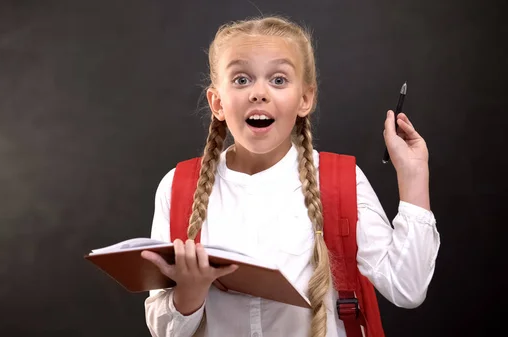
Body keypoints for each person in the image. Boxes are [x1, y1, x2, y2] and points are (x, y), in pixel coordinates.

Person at [140, 15, 440, 337]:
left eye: (279, 80)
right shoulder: (178, 187)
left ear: (305, 99)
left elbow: (407, 288)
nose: (259, 93)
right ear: (217, 102)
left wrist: (413, 176)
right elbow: (164, 330)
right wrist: (189, 294)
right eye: (241, 80)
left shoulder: (340, 181)